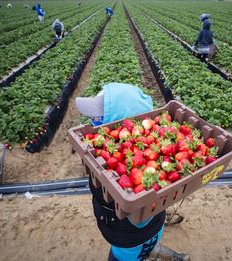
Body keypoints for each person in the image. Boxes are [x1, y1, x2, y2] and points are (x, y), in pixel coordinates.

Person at [75, 83, 189, 261]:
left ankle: (162, 253)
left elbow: (140, 207)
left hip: (129, 237)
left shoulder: (136, 171)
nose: (92, 122)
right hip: (150, 226)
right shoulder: (113, 155)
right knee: (150, 242)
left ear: (125, 127)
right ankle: (166, 253)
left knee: (127, 255)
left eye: (98, 119)